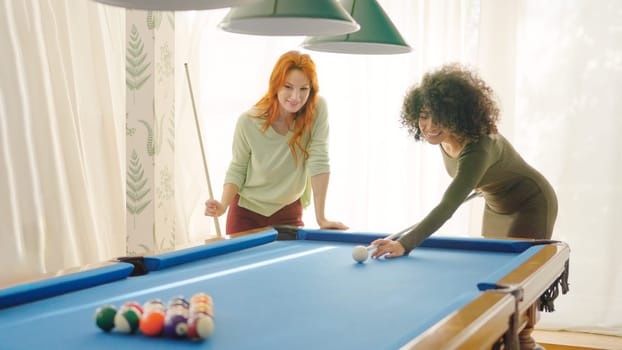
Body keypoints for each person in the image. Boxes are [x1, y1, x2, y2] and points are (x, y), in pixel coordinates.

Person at [372, 63, 558, 259]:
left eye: (440, 117)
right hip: (495, 204)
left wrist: (404, 244)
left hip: (529, 203)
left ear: (458, 115)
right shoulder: (444, 138)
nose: (431, 126)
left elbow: (448, 204)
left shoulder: (479, 147)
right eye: (424, 117)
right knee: (491, 263)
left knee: (519, 272)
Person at [204, 50, 348, 234]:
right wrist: (223, 205)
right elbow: (238, 167)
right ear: (275, 85)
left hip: (288, 211)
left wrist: (322, 218)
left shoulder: (317, 109)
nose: (296, 97)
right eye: (288, 86)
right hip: (247, 212)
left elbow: (319, 160)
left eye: (303, 89)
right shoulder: (248, 121)